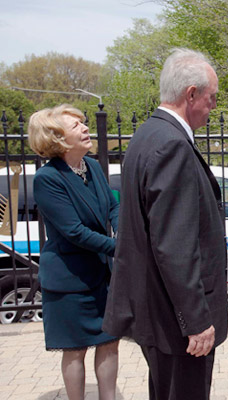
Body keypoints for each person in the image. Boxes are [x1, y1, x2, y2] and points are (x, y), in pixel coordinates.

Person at [102, 48, 228, 400]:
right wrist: (197, 321)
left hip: (160, 313)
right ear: (191, 94)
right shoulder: (171, 144)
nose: (213, 106)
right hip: (176, 322)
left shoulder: (148, 135)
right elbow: (175, 245)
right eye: (211, 97)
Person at [28, 104, 119, 400]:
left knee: (109, 342)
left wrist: (123, 229)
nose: (84, 128)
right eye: (76, 125)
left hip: (101, 274)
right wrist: (121, 247)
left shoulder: (91, 166)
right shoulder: (47, 178)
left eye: (84, 123)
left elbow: (113, 205)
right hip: (69, 279)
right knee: (75, 349)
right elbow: (74, 232)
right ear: (57, 138)